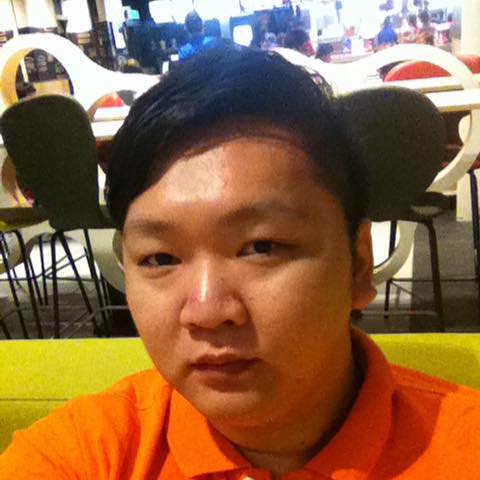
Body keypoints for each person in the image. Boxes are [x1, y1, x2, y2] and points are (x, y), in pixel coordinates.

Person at [2, 45, 480, 479]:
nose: (208, 311)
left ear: (357, 263)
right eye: (160, 257)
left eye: (261, 247)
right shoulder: (87, 454)